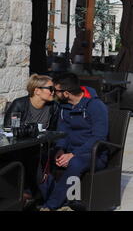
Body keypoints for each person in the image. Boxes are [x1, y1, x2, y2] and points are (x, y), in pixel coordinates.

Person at [39, 73, 109, 211]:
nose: (53, 93)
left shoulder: (96, 106)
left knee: (75, 163)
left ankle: (51, 205)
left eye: (55, 90)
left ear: (66, 93)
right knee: (41, 156)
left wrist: (73, 155)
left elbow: (99, 137)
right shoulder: (64, 107)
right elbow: (63, 132)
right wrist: (60, 149)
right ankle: (39, 195)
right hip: (70, 151)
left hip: (94, 154)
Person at [1, 74, 59, 203]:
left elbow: (52, 132)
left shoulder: (53, 107)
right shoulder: (19, 104)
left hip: (41, 147)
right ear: (37, 91)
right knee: (22, 156)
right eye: (50, 88)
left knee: (34, 157)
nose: (53, 92)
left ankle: (30, 194)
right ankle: (22, 194)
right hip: (20, 148)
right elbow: (9, 129)